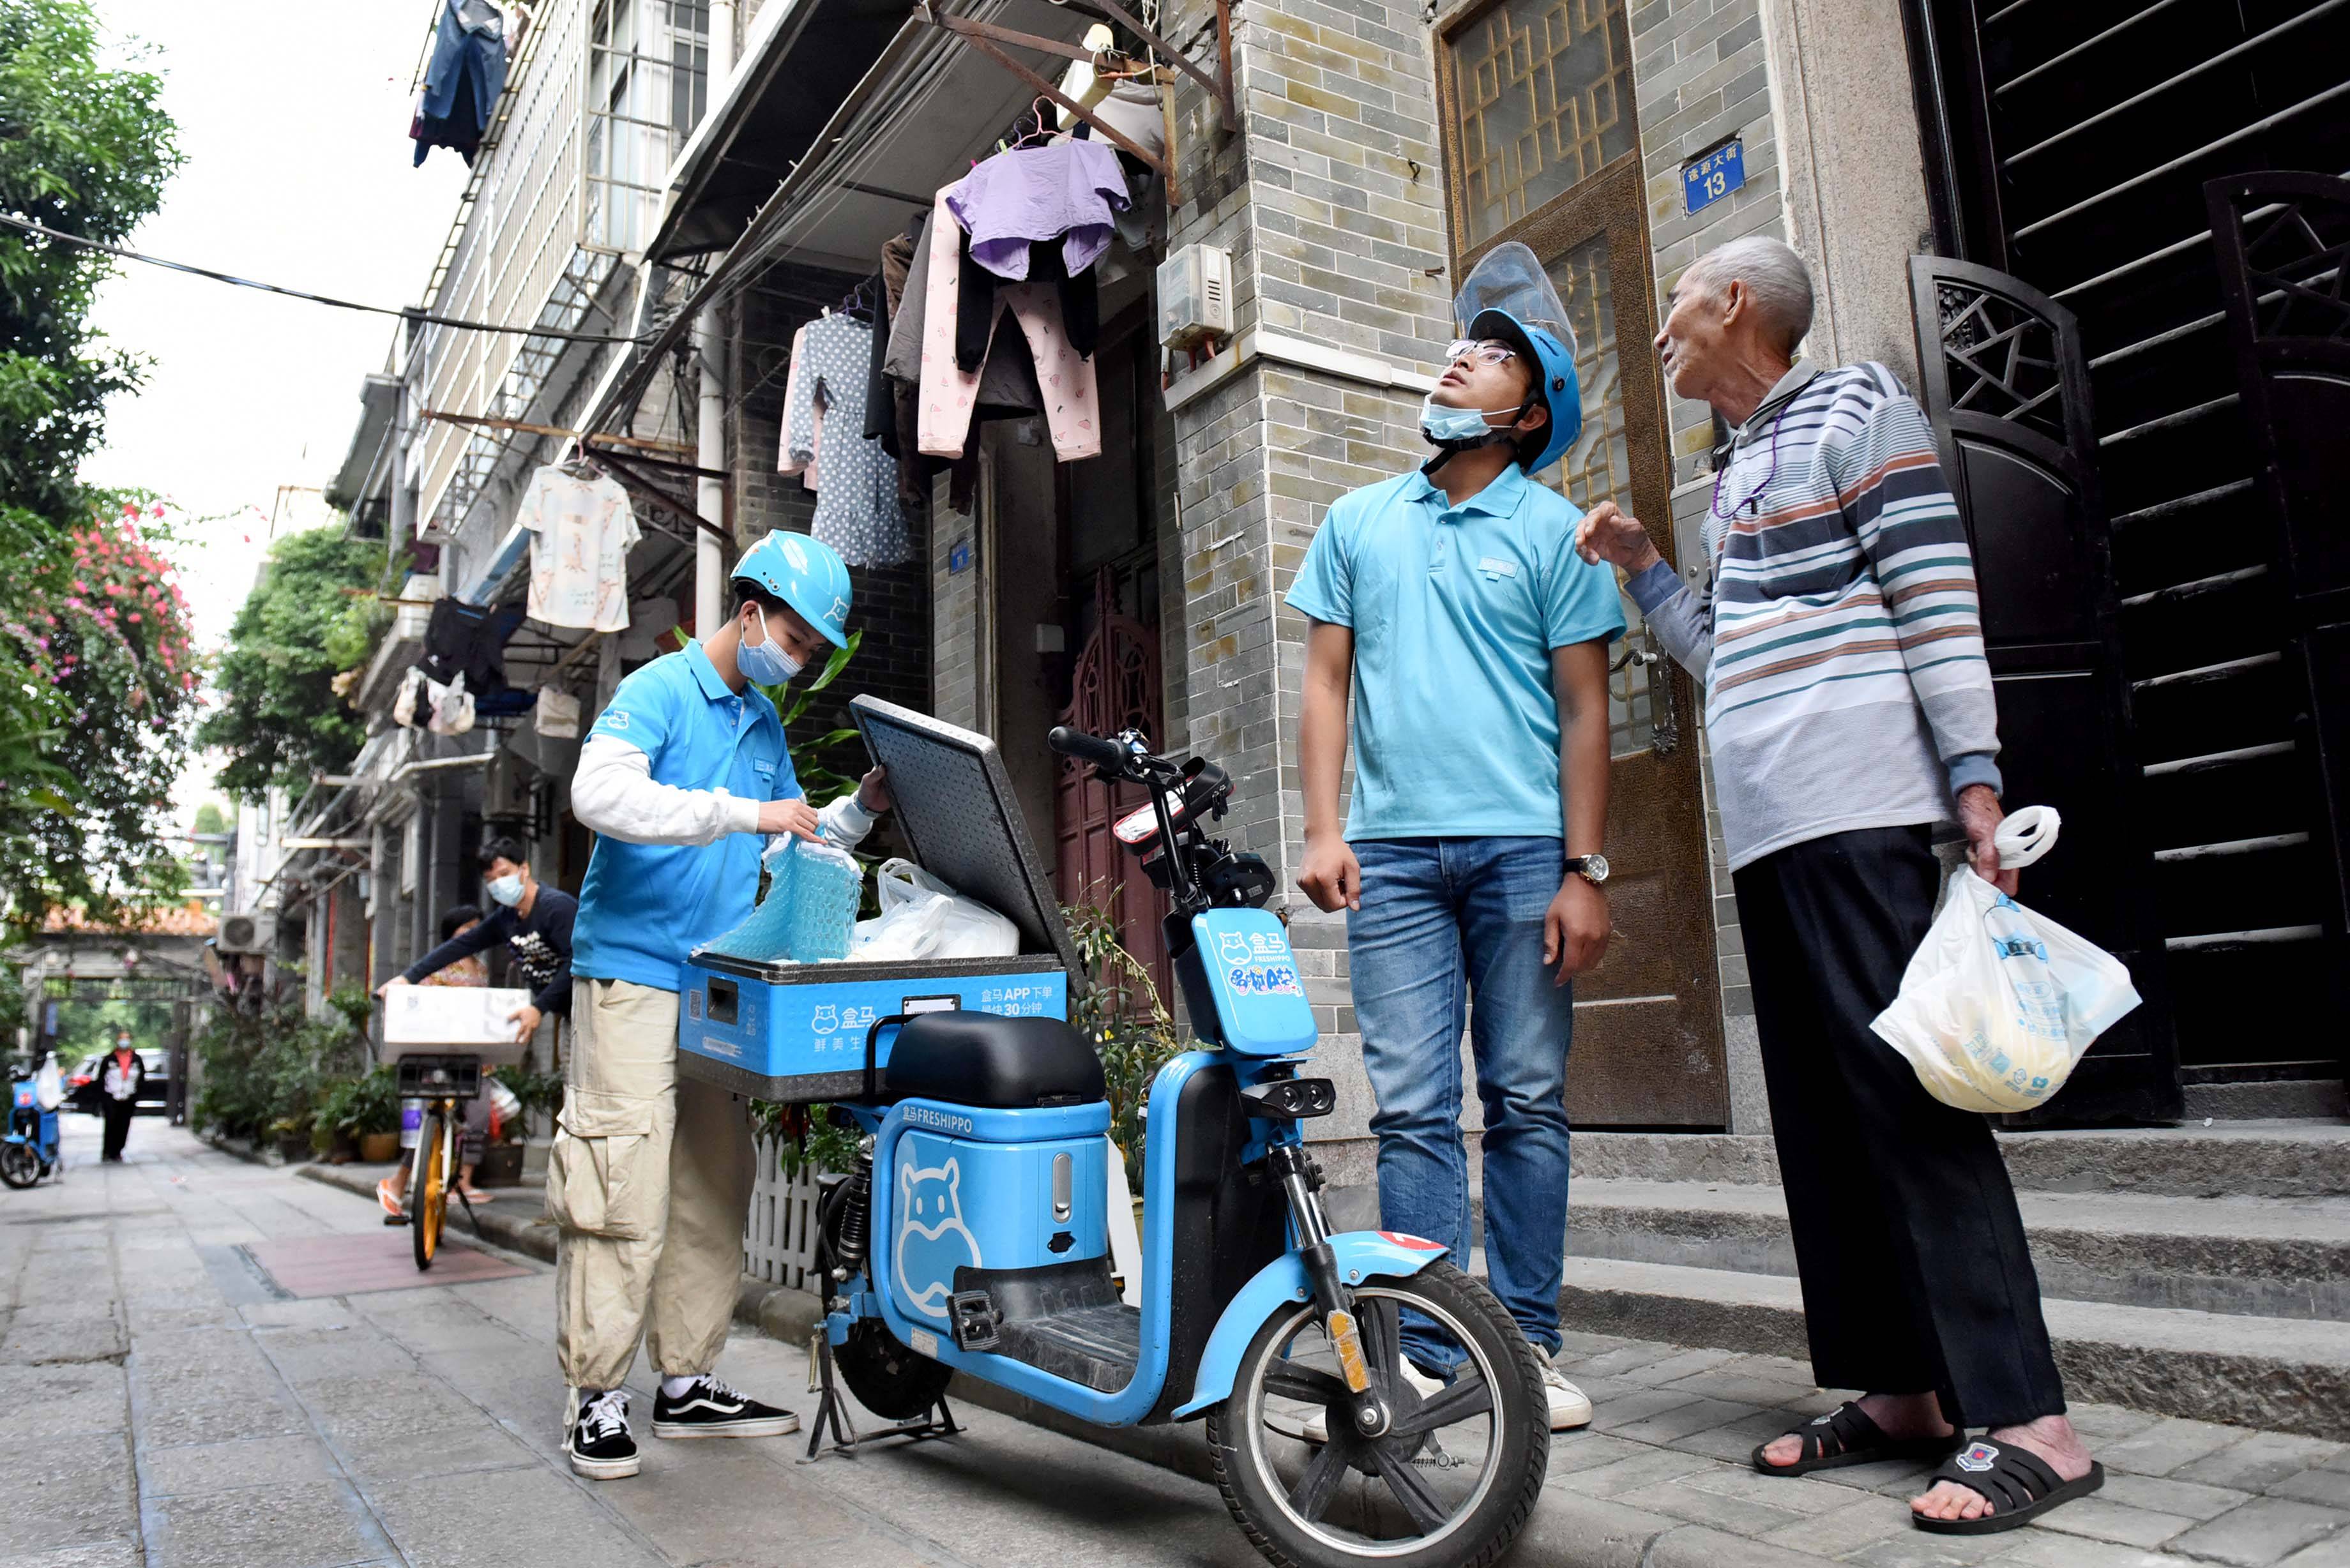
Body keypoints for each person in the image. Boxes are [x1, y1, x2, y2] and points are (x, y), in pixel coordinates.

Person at [1575, 234, 2101, 1534]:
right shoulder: (1733, 463)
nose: (1661, 330)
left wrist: (1973, 780)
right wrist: (1647, 569)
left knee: (1910, 1106)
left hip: (1863, 805)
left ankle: (2031, 1417)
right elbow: (1720, 651)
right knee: (1821, 1117)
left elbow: (1932, 592)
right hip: (1770, 827)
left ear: (1738, 304)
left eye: (1680, 300)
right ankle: (1906, 1388)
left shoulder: (1859, 408)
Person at [1288, 242, 1623, 1435]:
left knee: (1526, 1098)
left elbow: (1587, 707)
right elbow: (1326, 685)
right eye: (1461, 344)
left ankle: (1527, 1342)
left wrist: (1585, 869)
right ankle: (1433, 1345)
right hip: (1393, 855)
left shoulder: (1554, 533)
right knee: (1416, 1106)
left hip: (1525, 851)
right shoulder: (1358, 520)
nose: (1458, 358)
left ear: (1527, 412)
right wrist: (1324, 828)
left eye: (1490, 355)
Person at [553, 529, 893, 1481]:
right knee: (621, 1186)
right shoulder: (658, 692)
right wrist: (738, 813)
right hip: (629, 976)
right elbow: (600, 794)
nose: (800, 661)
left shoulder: (764, 725)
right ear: (750, 615)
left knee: (711, 1184)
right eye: (796, 640)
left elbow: (796, 838)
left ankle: (688, 1382)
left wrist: (859, 806)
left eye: (813, 653)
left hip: (713, 984)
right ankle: (598, 1397)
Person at [377, 879, 566, 1217]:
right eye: (465, 930)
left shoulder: (479, 970)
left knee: (478, 1119)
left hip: (472, 1060)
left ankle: (463, 1182)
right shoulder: (438, 969)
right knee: (423, 1121)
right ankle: (399, 1180)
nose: (471, 936)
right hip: (433, 1055)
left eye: (475, 930)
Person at [97, 1032, 144, 1162]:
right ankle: (107, 1151)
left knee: (124, 1125)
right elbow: (101, 1079)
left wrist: (136, 1095)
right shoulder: (109, 1059)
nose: (124, 1042)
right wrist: (103, 1097)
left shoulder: (136, 1060)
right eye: (122, 1039)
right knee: (111, 1123)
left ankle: (118, 1151)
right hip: (111, 1096)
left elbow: (141, 1080)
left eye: (126, 1039)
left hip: (129, 1097)